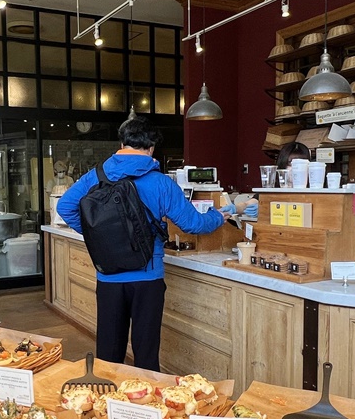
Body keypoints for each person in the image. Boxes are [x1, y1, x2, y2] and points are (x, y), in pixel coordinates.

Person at [55, 117, 229, 371]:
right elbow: (194, 225)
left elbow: (65, 207)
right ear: (151, 148)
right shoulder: (161, 183)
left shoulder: (96, 175)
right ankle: (146, 406)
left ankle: (106, 403)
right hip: (147, 277)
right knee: (146, 352)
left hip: (109, 277)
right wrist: (219, 216)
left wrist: (100, 236)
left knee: (108, 351)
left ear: (122, 143)